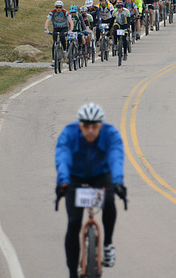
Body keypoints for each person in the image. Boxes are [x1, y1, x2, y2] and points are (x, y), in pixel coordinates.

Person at [55, 103, 127, 278]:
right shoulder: (69, 133)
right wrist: (63, 181)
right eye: (86, 126)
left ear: (100, 125)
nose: (90, 131)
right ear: (80, 125)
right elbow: (63, 156)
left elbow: (116, 157)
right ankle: (73, 272)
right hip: (75, 177)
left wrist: (118, 182)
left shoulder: (110, 134)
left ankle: (108, 244)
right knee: (73, 223)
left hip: (100, 175)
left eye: (94, 126)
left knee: (109, 201)